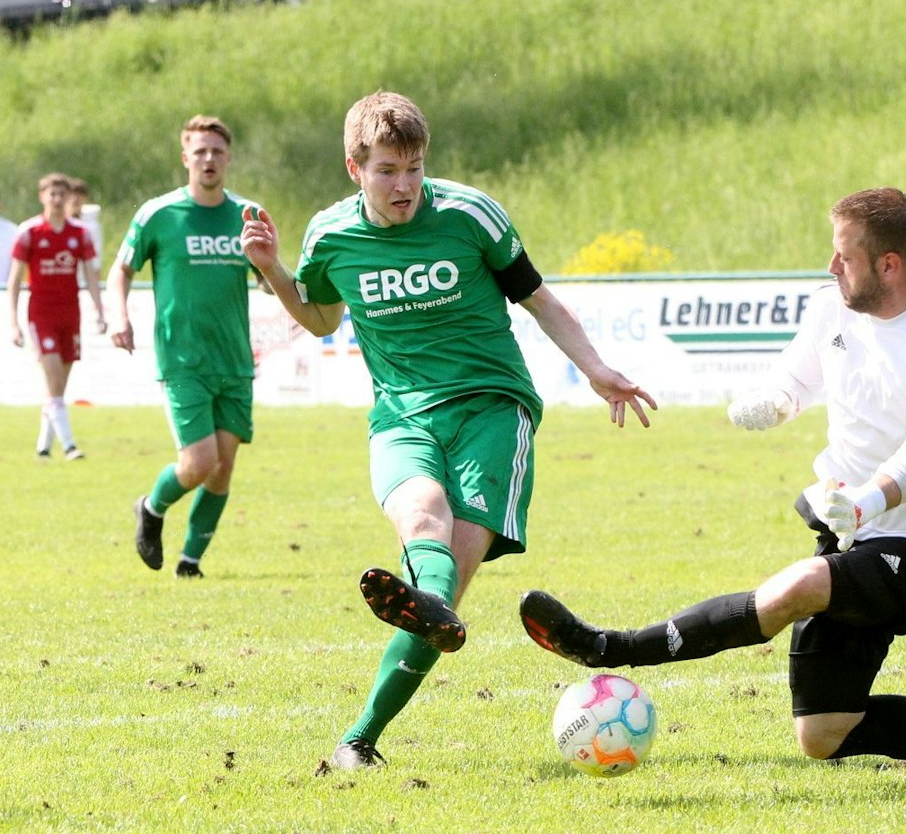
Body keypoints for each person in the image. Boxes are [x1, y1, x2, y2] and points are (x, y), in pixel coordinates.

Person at [519, 188, 906, 781]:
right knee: (825, 733)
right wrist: (772, 403)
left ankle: (610, 649)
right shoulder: (832, 308)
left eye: (843, 257)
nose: (830, 267)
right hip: (849, 531)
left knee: (795, 587)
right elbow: (796, 381)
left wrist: (866, 500)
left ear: (889, 265)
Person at [240, 91, 655, 769]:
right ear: (355, 168)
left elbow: (539, 299)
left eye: (414, 167)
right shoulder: (331, 235)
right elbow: (318, 318)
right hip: (402, 415)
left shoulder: (468, 214)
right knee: (423, 523)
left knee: (448, 578)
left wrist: (596, 368)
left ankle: (360, 733)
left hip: (493, 410)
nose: (404, 185)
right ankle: (363, 731)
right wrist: (272, 269)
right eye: (386, 170)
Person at [111, 115, 260, 580]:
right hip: (183, 359)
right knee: (199, 462)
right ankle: (152, 508)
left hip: (234, 359)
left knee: (222, 468)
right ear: (185, 159)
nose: (209, 159)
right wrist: (119, 316)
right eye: (200, 151)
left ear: (228, 157)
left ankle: (190, 563)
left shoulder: (247, 215)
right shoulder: (159, 214)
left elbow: (270, 276)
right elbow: (121, 269)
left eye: (217, 151)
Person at [9, 172, 104, 460]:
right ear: (42, 197)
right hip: (42, 314)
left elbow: (90, 275)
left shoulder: (80, 234)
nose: (58, 199)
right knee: (52, 378)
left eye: (62, 194)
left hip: (70, 314)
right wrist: (13, 322)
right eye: (52, 194)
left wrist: (100, 310)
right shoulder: (30, 233)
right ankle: (69, 445)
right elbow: (14, 279)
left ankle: (42, 446)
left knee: (58, 387)